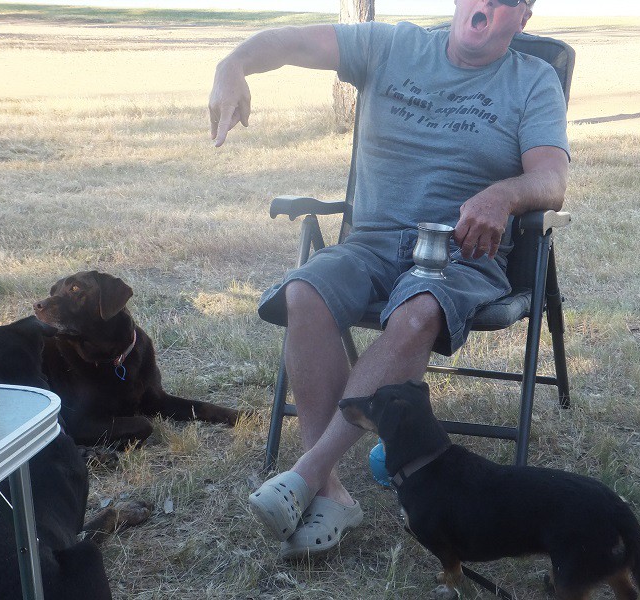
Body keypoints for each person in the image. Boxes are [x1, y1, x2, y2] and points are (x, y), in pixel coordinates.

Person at [208, 0, 568, 559]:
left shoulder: (533, 79)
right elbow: (293, 42)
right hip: (371, 242)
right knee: (305, 291)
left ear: (523, 17)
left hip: (460, 255)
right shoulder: (392, 45)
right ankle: (329, 489)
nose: (487, 5)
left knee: (418, 310)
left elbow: (551, 179)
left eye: (506, 1)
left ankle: (307, 473)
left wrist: (503, 194)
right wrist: (232, 63)